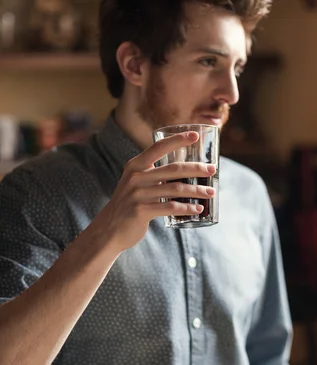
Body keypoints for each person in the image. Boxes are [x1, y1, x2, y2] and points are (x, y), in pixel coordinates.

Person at [0, 0, 293, 364]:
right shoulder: (36, 194)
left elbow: (267, 351)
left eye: (237, 67)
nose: (230, 93)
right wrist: (104, 236)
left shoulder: (249, 194)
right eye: (208, 62)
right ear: (134, 64)